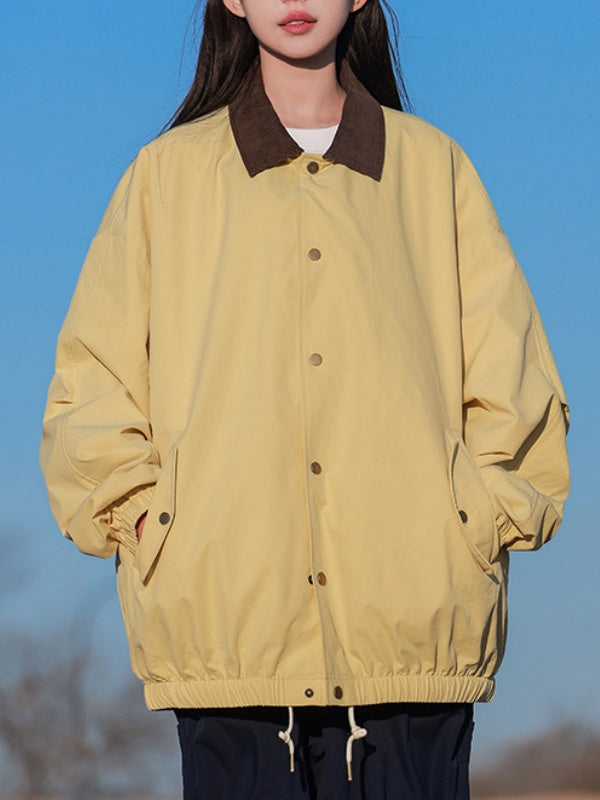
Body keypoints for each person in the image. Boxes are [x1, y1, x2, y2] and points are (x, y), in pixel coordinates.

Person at [40, 0, 570, 797]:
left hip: (415, 623)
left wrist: (477, 517)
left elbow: (513, 378)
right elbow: (92, 386)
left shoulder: (432, 170)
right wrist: (150, 522)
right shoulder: (167, 176)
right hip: (228, 624)